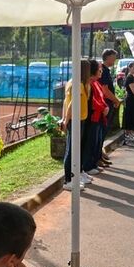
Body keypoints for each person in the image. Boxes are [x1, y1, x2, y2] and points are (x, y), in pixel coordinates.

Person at [60, 60, 92, 191]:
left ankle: (74, 177)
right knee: (71, 150)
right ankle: (68, 180)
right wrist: (65, 120)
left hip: (78, 119)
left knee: (75, 149)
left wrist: (64, 118)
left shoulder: (74, 82)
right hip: (75, 120)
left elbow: (65, 102)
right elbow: (71, 104)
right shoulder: (77, 84)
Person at [84, 59, 109, 176]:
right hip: (94, 117)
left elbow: (101, 98)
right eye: (99, 69)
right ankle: (88, 165)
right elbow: (93, 101)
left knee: (97, 141)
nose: (101, 71)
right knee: (91, 142)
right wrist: (103, 108)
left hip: (100, 117)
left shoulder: (96, 83)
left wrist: (105, 107)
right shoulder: (90, 83)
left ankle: (93, 163)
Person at [97, 50, 120, 167]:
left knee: (104, 131)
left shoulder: (105, 70)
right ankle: (98, 156)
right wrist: (116, 100)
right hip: (105, 105)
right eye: (113, 57)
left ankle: (99, 154)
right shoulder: (103, 71)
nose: (115, 60)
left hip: (106, 104)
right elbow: (105, 90)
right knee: (102, 131)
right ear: (108, 57)